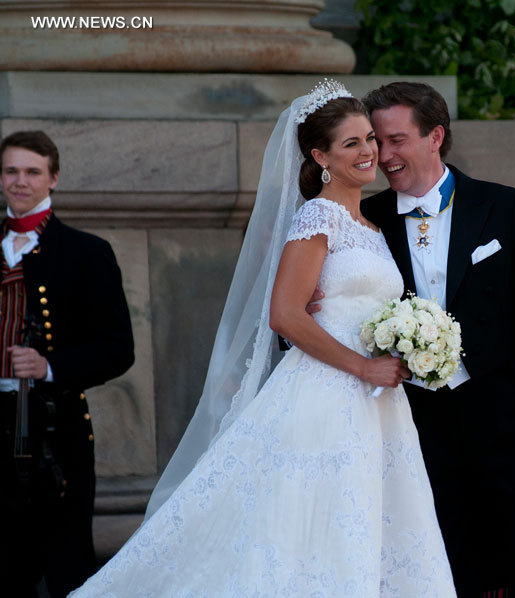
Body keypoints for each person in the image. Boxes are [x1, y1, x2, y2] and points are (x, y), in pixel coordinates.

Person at [70, 82, 456, 596]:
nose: (369, 152)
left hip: (378, 404)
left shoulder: (371, 224)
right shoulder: (318, 215)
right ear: (320, 156)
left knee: (368, 521)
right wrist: (365, 367)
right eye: (352, 144)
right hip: (327, 393)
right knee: (308, 524)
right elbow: (285, 315)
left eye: (371, 139)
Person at [357, 82, 515, 597]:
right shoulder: (366, 221)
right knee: (441, 570)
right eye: (377, 141)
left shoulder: (503, 207)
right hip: (414, 428)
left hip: (508, 420)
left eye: (396, 140)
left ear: (435, 136)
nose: (384, 155)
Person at [0, 130, 135, 597]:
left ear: (52, 179)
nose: (20, 181)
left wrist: (49, 366)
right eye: (11, 170)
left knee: (64, 562)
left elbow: (118, 349)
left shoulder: (86, 253)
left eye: (32, 171)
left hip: (55, 433)